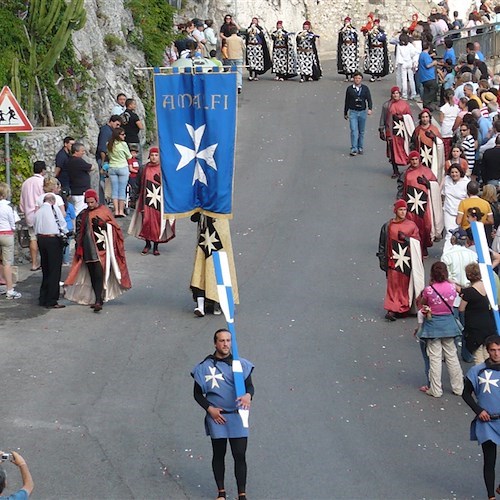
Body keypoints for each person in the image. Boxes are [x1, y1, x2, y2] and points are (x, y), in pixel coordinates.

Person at [191, 329, 254, 500]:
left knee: (239, 454)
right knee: (219, 454)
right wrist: (209, 409)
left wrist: (248, 396)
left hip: (237, 415)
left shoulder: (240, 364)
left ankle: (242, 494)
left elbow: (249, 387)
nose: (226, 344)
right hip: (217, 417)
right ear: (215, 343)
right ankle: (221, 493)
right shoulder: (204, 367)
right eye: (222, 341)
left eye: (228, 340)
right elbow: (197, 394)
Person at [65, 189, 131, 312]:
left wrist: (104, 225)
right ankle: (97, 298)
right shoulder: (82, 215)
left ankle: (98, 300)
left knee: (99, 274)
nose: (90, 205)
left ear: (96, 200)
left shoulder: (104, 211)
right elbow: (79, 232)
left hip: (103, 251)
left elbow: (116, 229)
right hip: (88, 250)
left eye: (92, 202)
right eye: (88, 202)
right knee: (93, 276)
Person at [417, 261, 464, 397]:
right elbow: (456, 294)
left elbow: (423, 302)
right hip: (449, 324)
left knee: (435, 358)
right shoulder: (452, 287)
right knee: (452, 356)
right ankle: (458, 387)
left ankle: (436, 389)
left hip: (433, 325)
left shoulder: (429, 290)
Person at [463, 335, 500, 500]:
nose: (496, 354)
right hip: (487, 422)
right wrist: (478, 410)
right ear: (487, 351)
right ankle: (491, 496)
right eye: (493, 350)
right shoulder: (477, 371)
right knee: (490, 460)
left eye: (499, 350)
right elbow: (466, 393)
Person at [377, 199, 423, 321]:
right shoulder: (387, 226)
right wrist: (382, 259)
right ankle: (392, 308)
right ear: (396, 211)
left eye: (404, 210)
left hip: (407, 262)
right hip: (392, 261)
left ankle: (403, 306)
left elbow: (417, 242)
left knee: (404, 285)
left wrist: (407, 239)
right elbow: (382, 244)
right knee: (393, 285)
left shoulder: (412, 226)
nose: (403, 212)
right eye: (400, 210)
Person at [128, 147, 176, 255]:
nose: (154, 157)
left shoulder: (164, 169)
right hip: (145, 199)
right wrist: (134, 197)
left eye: (156, 155)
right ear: (149, 156)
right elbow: (138, 183)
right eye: (152, 155)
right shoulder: (143, 168)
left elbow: (169, 184)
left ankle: (156, 245)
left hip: (159, 200)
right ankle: (147, 244)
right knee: (146, 221)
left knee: (157, 222)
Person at [190, 213, 238, 317]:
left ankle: (217, 301)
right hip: (206, 230)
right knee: (202, 266)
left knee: (217, 264)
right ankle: (203, 305)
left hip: (217, 229)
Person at [397, 150, 440, 255]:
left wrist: (428, 184)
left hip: (425, 204)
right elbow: (401, 189)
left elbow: (436, 185)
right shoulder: (405, 174)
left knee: (426, 226)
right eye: (412, 159)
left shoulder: (427, 171)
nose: (415, 161)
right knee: (413, 226)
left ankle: (425, 245)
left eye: (416, 159)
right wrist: (400, 203)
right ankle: (416, 247)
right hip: (411, 205)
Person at [33, 193, 68, 309]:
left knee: (46, 269)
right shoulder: (54, 209)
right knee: (54, 270)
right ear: (53, 201)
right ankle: (52, 299)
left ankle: (43, 297)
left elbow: (35, 226)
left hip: (41, 239)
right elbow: (62, 223)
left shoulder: (38, 212)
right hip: (53, 240)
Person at [460, 262, 498, 365]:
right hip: (489, 324)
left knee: (478, 355)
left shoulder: (469, 292)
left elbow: (461, 309)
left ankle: (482, 376)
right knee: (488, 353)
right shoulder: (488, 287)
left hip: (474, 327)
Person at [379, 86, 414, 178]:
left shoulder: (405, 104)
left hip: (403, 133)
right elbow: (383, 117)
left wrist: (403, 117)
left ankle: (410, 168)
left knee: (405, 150)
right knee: (392, 151)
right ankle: (395, 170)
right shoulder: (387, 105)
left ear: (400, 94)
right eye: (394, 93)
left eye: (397, 93)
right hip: (391, 132)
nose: (395, 95)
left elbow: (410, 117)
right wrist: (381, 129)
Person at [19, 160, 46, 271]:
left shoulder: (26, 183)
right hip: (41, 214)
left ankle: (34, 263)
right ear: (43, 170)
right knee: (44, 238)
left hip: (29, 215)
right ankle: (44, 262)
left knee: (33, 238)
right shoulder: (42, 182)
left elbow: (21, 202)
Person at [343, 71, 372, 156]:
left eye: (359, 78)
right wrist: (345, 112)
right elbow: (347, 101)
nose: (357, 80)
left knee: (361, 131)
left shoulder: (365, 88)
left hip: (362, 112)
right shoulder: (349, 89)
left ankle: (360, 147)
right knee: (354, 130)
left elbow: (369, 99)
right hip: (353, 112)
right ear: (353, 79)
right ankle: (354, 148)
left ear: (361, 79)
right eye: (356, 78)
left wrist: (370, 108)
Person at [0, 183, 21, 299]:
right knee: (7, 263)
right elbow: (13, 223)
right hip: (7, 234)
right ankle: (9, 289)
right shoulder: (9, 207)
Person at [441, 165, 469, 252]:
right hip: (448, 211)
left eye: (456, 172)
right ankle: (446, 254)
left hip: (462, 213)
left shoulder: (466, 182)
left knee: (462, 235)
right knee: (450, 234)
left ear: (460, 172)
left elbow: (468, 198)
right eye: (452, 172)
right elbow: (442, 193)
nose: (454, 174)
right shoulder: (446, 179)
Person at [107, 127, 132, 217]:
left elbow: (108, 156)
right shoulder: (123, 144)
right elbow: (129, 156)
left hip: (112, 167)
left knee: (114, 190)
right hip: (122, 167)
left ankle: (116, 210)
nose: (124, 136)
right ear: (118, 135)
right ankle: (121, 211)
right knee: (122, 190)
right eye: (122, 134)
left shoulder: (109, 144)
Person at [411, 108, 444, 176]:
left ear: (429, 118)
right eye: (423, 117)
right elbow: (412, 143)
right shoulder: (417, 130)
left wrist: (434, 138)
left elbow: (440, 143)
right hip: (420, 155)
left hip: (432, 155)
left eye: (426, 117)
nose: (425, 119)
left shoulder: (434, 129)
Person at [66, 143, 93, 216]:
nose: (83, 153)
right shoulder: (78, 161)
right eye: (82, 151)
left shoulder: (70, 160)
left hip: (75, 189)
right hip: (80, 191)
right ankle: (77, 225)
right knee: (80, 209)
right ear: (76, 151)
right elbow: (90, 167)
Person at [245, 17, 271, 81]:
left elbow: (262, 36)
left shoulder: (260, 29)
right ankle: (250, 75)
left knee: (257, 62)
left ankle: (256, 75)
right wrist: (251, 29)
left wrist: (257, 30)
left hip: (258, 47)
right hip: (250, 47)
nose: (254, 22)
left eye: (255, 21)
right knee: (250, 61)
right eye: (253, 21)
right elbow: (246, 35)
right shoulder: (249, 28)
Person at [394, 33, 418, 100]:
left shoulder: (399, 46)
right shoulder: (410, 45)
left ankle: (404, 95)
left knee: (403, 79)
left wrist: (396, 64)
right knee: (411, 79)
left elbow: (398, 56)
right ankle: (413, 94)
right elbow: (414, 53)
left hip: (403, 63)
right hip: (409, 62)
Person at [439, 89, 460, 160]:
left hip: (445, 131)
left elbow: (441, 120)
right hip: (454, 130)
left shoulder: (443, 108)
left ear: (444, 98)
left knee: (446, 151)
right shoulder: (457, 107)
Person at [337, 17, 359, 82]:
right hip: (345, 47)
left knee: (352, 61)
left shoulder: (353, 29)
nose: (346, 23)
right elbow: (340, 34)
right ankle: (346, 76)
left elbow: (356, 37)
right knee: (345, 61)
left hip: (352, 47)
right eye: (345, 21)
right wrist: (345, 28)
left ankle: (352, 75)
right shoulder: (342, 29)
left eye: (348, 21)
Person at [418, 42, 438, 110]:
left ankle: (425, 104)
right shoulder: (425, 55)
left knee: (426, 91)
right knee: (434, 88)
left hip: (424, 77)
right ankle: (427, 102)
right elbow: (427, 65)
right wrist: (434, 63)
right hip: (429, 76)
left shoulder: (422, 54)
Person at [225, 26, 245, 94]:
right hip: (239, 56)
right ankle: (239, 85)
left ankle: (232, 85)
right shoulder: (240, 39)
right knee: (239, 71)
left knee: (231, 71)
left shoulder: (228, 39)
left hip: (230, 56)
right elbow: (243, 48)